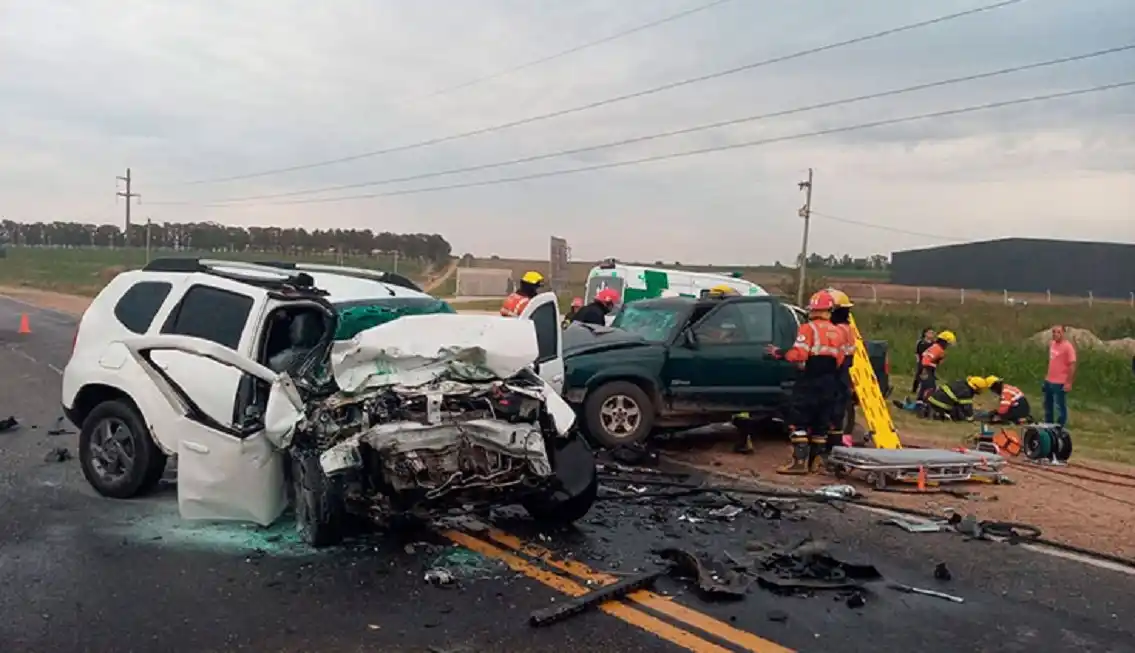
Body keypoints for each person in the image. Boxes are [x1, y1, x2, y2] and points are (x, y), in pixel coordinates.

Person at [765, 289, 846, 475]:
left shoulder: (808, 328)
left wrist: (779, 353)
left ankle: (799, 462)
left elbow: (799, 354)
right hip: (830, 381)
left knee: (798, 419)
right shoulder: (837, 331)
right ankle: (816, 462)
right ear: (829, 310)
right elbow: (840, 359)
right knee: (820, 422)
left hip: (810, 380)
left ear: (812, 310)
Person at [825, 288, 857, 450]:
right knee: (839, 409)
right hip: (843, 371)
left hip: (835, 371)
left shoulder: (836, 330)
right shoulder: (848, 329)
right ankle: (835, 442)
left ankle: (829, 446)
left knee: (832, 409)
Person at [1043, 325, 1076, 427]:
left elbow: (1072, 364)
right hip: (1049, 380)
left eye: (1058, 332)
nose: (1055, 334)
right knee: (1048, 405)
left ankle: (1060, 427)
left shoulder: (1068, 347)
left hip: (1060, 382)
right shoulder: (1052, 344)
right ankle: (1048, 425)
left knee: (1060, 406)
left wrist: (1068, 382)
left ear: (1063, 333)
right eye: (1054, 332)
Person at [923, 376, 988, 421]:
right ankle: (942, 415)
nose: (981, 391)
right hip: (941, 405)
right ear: (975, 387)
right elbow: (967, 408)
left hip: (933, 400)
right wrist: (970, 418)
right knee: (960, 415)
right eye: (980, 389)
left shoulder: (961, 382)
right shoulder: (966, 392)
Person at [917, 330, 956, 400]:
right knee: (930, 387)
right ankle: (925, 402)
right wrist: (925, 370)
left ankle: (920, 401)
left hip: (927, 368)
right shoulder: (937, 349)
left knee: (925, 386)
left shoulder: (937, 347)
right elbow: (926, 359)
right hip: (926, 368)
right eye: (948, 344)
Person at [912, 327, 936, 395]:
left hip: (931, 362)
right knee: (919, 375)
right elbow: (917, 352)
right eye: (930, 333)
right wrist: (918, 360)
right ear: (925, 334)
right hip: (921, 361)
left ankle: (930, 390)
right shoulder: (920, 342)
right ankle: (914, 389)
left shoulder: (934, 344)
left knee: (931, 376)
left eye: (932, 333)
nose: (931, 334)